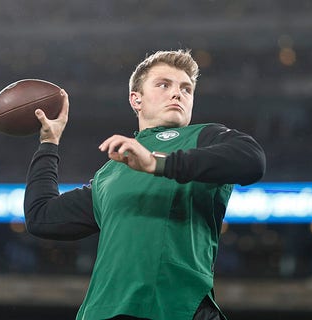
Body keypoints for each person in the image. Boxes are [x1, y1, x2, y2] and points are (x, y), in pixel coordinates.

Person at [24, 49, 266, 320]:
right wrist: (49, 143)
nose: (177, 93)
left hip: (177, 309)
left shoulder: (206, 137)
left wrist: (157, 163)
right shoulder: (110, 172)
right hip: (102, 312)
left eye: (186, 89)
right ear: (135, 99)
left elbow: (252, 160)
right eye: (164, 84)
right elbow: (41, 217)